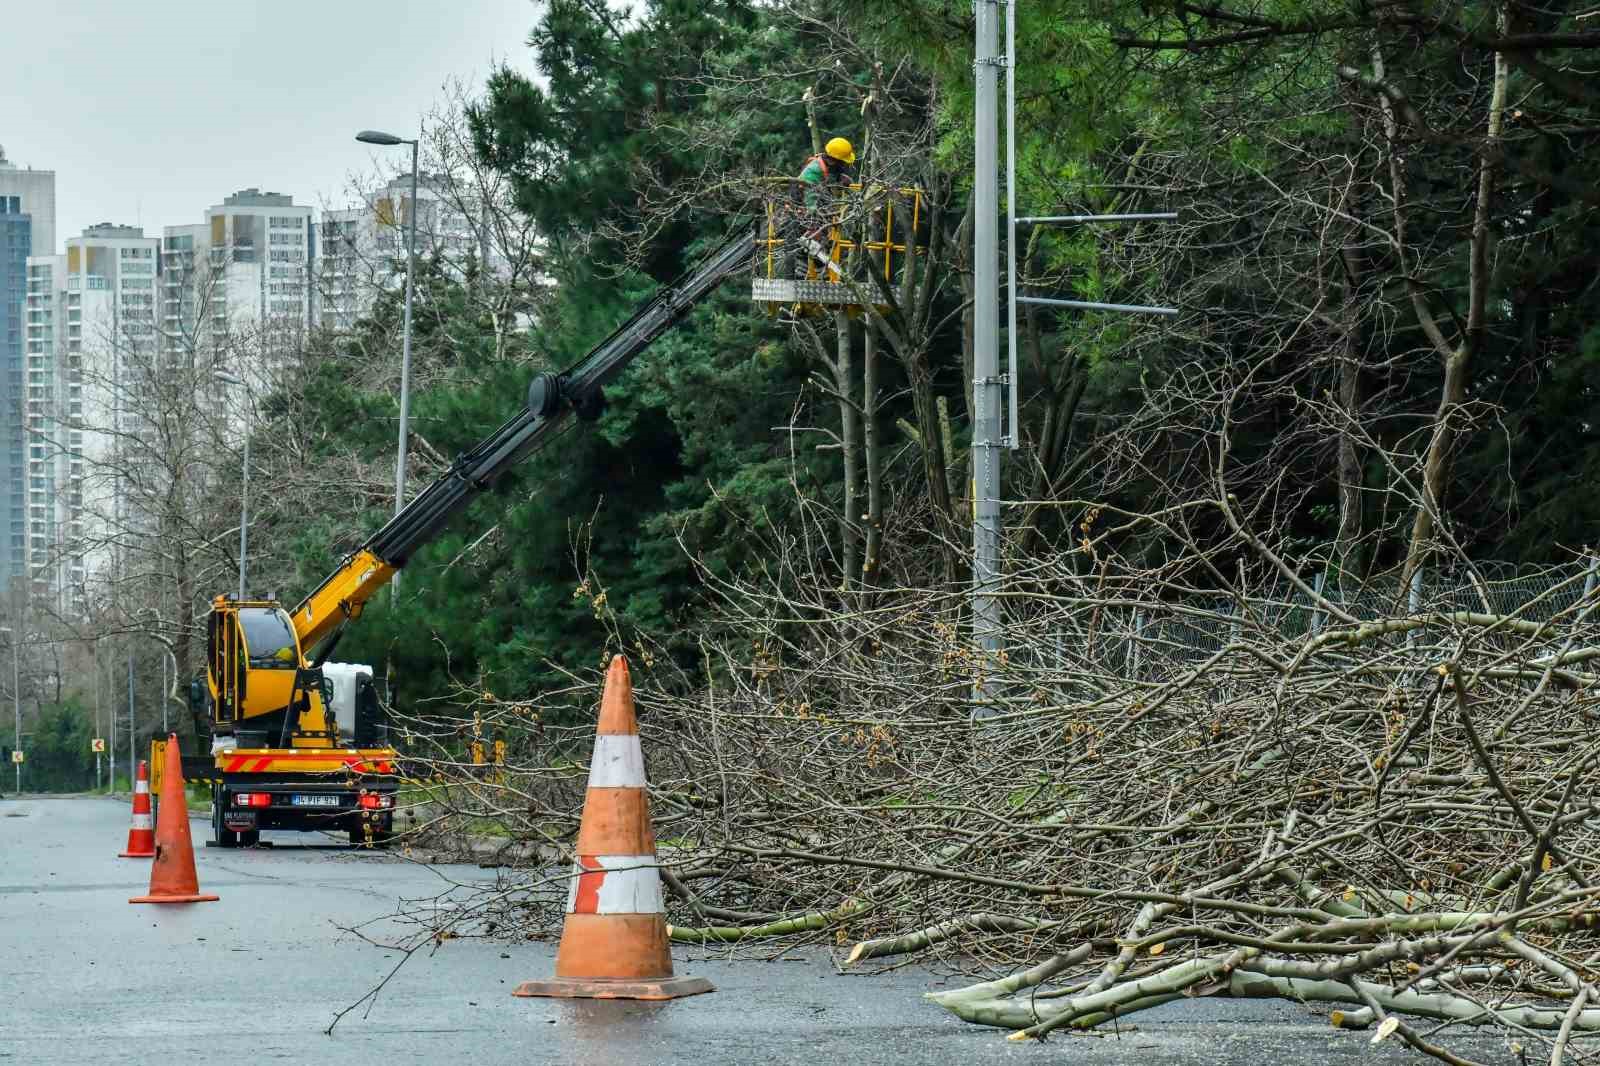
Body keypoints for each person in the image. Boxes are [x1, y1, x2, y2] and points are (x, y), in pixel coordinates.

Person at [792, 137, 857, 277]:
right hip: (803, 204)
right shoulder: (813, 171)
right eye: (843, 162)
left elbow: (832, 177)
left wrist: (842, 180)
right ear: (834, 160)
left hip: (817, 205)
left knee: (823, 237)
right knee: (814, 236)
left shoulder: (828, 165)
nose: (844, 165)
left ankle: (822, 270)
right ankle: (806, 270)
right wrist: (814, 215)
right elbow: (809, 195)